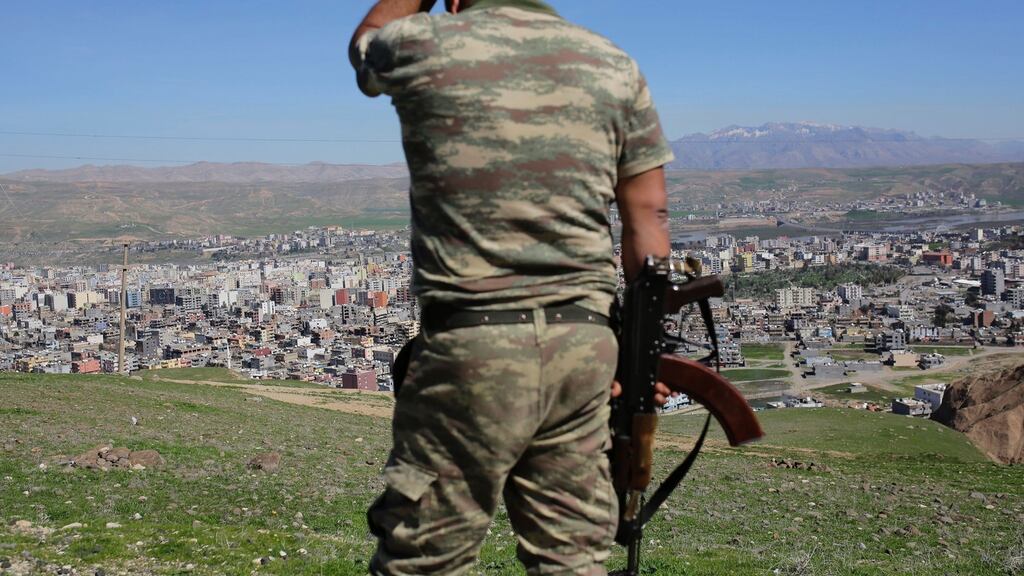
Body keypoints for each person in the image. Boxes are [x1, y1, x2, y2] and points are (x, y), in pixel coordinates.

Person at [349, 1, 674, 574]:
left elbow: (365, 43)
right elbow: (648, 223)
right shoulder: (613, 64)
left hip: (474, 344)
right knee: (572, 558)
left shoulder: (423, 43)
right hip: (585, 344)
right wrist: (639, 358)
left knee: (427, 560)